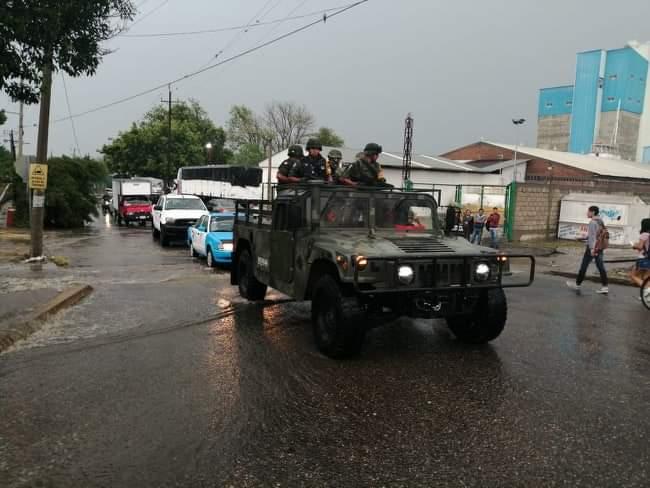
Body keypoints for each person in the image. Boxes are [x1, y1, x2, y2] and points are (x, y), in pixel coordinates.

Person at [566, 205, 609, 294]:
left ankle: (577, 284)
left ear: (593, 212)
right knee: (601, 267)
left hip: (592, 248)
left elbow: (593, 237)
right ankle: (605, 287)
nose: (587, 213)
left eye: (588, 211)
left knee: (584, 266)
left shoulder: (593, 222)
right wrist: (583, 238)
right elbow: (597, 235)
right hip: (599, 247)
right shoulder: (600, 220)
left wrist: (592, 249)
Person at [629, 218, 650, 293]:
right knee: (646, 278)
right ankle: (645, 295)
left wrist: (634, 245)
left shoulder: (644, 235)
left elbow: (640, 247)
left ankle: (647, 291)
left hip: (643, 259)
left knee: (632, 275)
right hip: (648, 258)